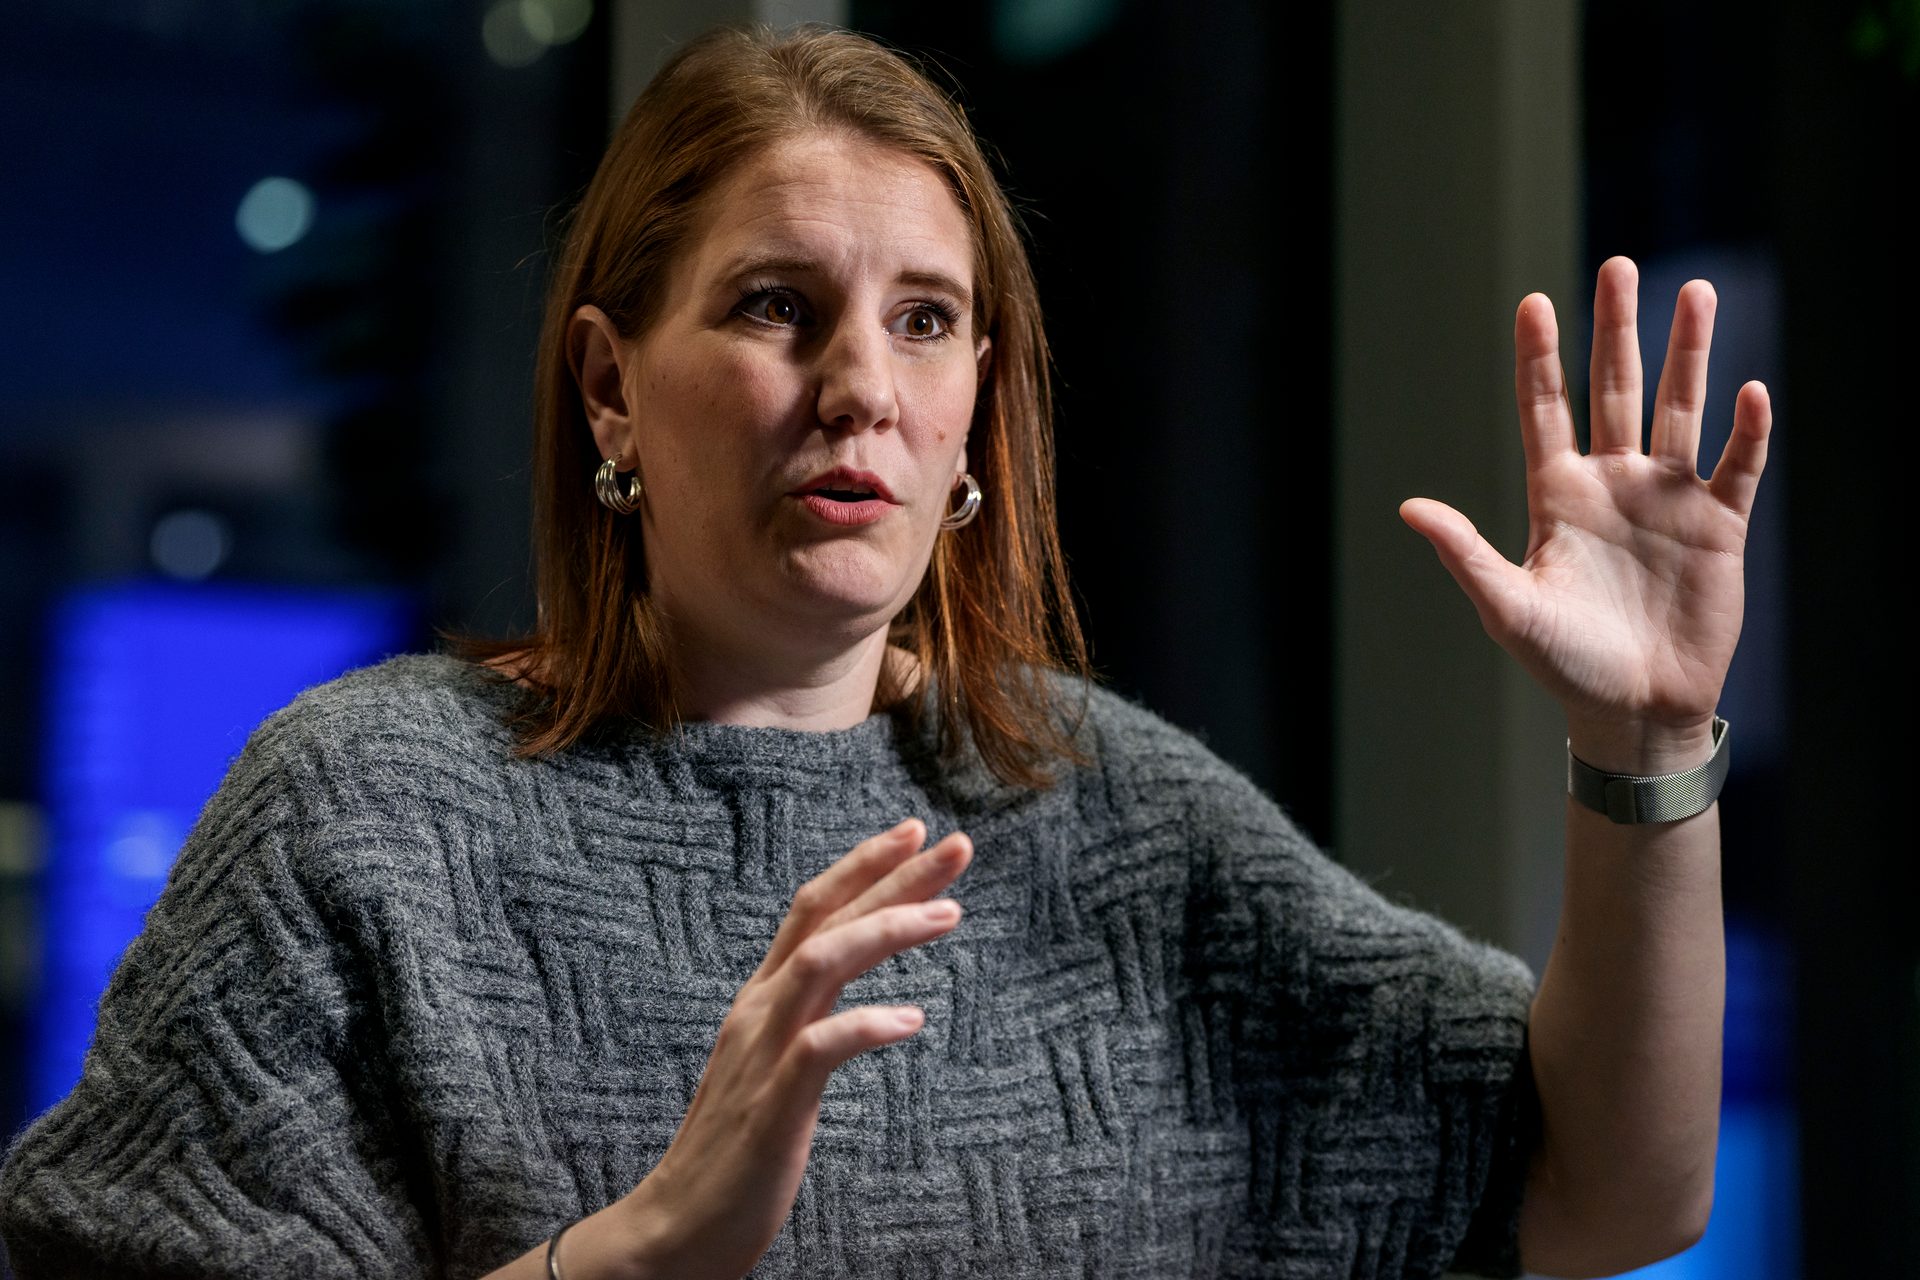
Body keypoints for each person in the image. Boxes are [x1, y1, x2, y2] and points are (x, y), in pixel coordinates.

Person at [0, 23, 1771, 1280]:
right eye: (778, 307)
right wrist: (635, 1257)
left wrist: (1648, 752)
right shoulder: (365, 818)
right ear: (612, 384)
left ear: (975, 411)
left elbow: (1609, 1189)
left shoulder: (1115, 820)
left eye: (925, 322)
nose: (862, 385)